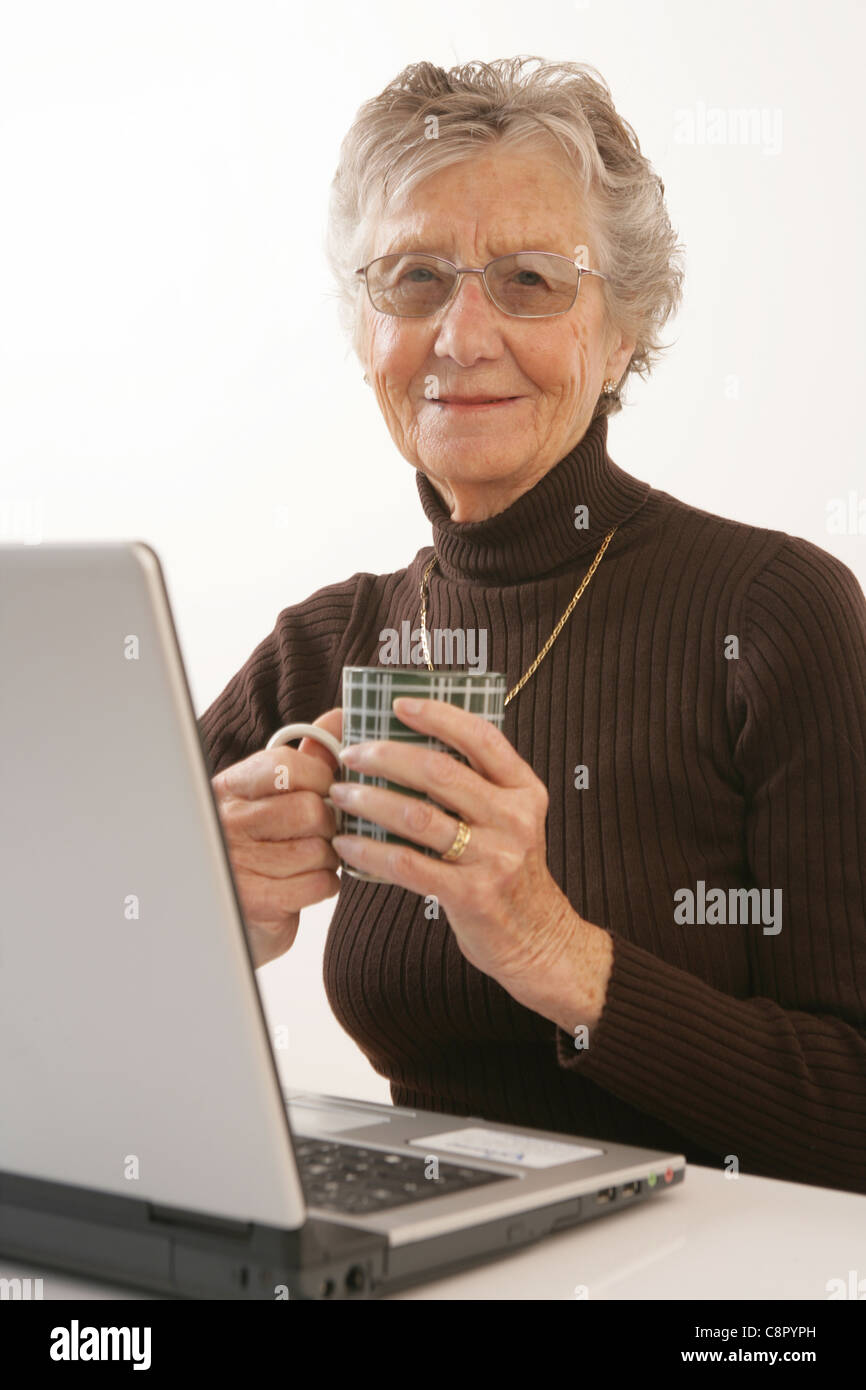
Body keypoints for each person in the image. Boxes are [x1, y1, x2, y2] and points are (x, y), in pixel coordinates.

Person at [198, 57, 866, 1194]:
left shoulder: (772, 614)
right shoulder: (326, 644)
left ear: (619, 340)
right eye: (412, 278)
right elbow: (52, 1007)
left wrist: (553, 949)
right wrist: (192, 936)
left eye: (527, 278)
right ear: (367, 335)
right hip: (416, 1255)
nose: (460, 333)